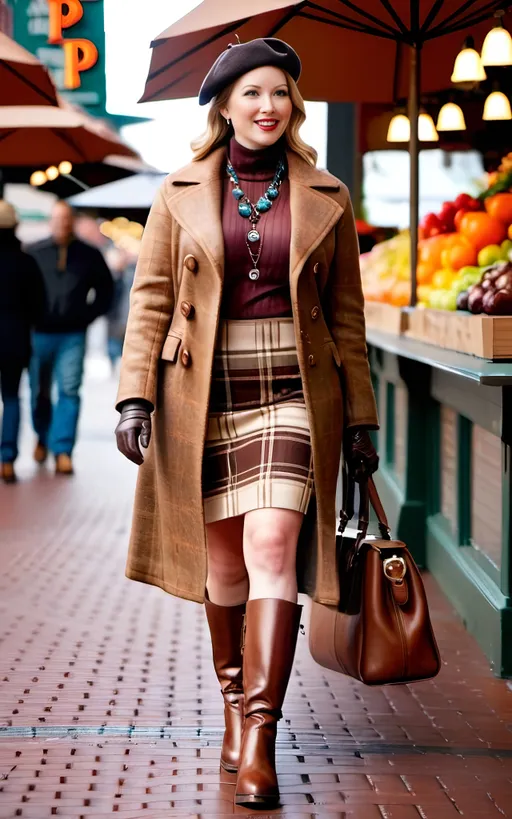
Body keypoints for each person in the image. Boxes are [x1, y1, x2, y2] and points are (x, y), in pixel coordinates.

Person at [115, 38, 379, 810]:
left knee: (272, 545)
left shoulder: (325, 193)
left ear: (294, 107)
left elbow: (348, 317)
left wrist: (360, 417)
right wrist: (136, 397)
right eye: (254, 93)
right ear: (225, 106)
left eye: (282, 94)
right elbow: (152, 300)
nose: (269, 106)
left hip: (295, 387)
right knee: (223, 565)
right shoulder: (179, 191)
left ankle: (259, 735)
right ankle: (234, 704)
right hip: (203, 391)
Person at [27, 201, 114, 475]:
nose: (62, 224)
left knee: (69, 390)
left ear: (72, 222)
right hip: (39, 334)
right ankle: (42, 436)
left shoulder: (89, 255)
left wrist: (86, 316)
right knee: (39, 393)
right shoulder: (35, 253)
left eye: (66, 219)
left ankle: (63, 449)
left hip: (72, 335)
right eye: (57, 219)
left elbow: (106, 291)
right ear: (51, 222)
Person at [0, 202, 46, 484]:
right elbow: (39, 307)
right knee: (12, 398)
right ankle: (6, 460)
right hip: (15, 341)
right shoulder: (26, 262)